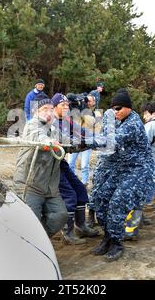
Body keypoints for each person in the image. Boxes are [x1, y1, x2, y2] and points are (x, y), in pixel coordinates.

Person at [90, 88, 155, 261]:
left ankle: (117, 243)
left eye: (119, 108)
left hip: (137, 169)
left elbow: (112, 140)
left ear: (128, 107)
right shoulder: (112, 117)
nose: (115, 111)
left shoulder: (133, 123)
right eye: (112, 108)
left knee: (117, 203)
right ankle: (108, 237)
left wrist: (85, 142)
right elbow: (104, 137)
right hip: (118, 167)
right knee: (101, 200)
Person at [13, 93, 68, 237]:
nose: (49, 112)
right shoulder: (32, 125)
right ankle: (33, 241)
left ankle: (39, 238)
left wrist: (83, 142)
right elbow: (39, 137)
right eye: (44, 109)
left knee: (61, 215)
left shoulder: (54, 129)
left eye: (51, 109)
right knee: (31, 222)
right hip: (30, 184)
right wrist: (50, 143)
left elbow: (67, 141)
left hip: (50, 187)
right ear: (36, 111)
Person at [51, 93, 99, 244]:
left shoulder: (65, 120)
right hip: (49, 166)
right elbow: (68, 142)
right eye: (62, 105)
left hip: (60, 162)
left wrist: (96, 137)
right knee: (70, 195)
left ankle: (81, 225)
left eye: (67, 105)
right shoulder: (51, 122)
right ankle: (68, 232)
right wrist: (86, 142)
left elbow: (79, 130)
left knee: (80, 189)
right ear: (54, 107)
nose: (66, 108)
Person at [68, 94, 97, 186]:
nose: (88, 102)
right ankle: (71, 181)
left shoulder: (92, 112)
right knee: (70, 163)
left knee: (84, 165)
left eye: (90, 101)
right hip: (76, 139)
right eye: (86, 100)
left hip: (86, 141)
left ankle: (84, 182)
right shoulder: (75, 109)